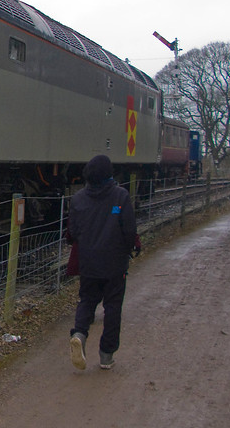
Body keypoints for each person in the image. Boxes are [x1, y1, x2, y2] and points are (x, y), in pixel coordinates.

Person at [68, 154, 138, 370]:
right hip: (115, 263)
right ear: (109, 174)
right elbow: (129, 230)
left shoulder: (78, 199)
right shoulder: (121, 196)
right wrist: (128, 250)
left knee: (87, 300)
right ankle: (106, 355)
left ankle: (79, 333)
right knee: (113, 306)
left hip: (89, 262)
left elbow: (71, 233)